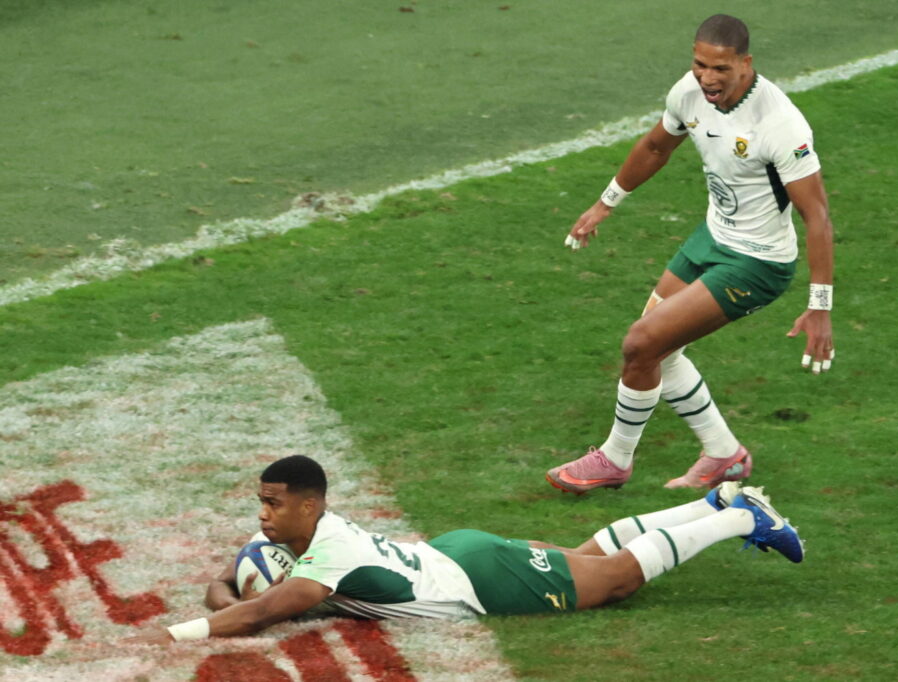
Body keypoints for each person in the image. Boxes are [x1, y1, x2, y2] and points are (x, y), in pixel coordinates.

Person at [548, 14, 836, 495]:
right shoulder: (689, 92)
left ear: (746, 64)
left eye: (720, 68)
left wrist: (820, 306)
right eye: (700, 65)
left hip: (757, 263)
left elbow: (818, 216)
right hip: (712, 238)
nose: (707, 78)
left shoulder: (780, 125)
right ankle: (725, 455)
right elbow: (656, 147)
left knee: (642, 344)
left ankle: (615, 460)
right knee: (657, 350)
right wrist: (605, 203)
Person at [126, 455, 803, 643]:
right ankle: (710, 504)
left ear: (309, 504)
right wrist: (225, 592)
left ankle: (738, 519)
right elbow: (237, 591)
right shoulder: (307, 537)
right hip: (457, 553)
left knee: (618, 580)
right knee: (590, 559)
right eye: (262, 502)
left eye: (273, 503)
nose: (261, 514)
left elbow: (253, 613)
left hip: (477, 579)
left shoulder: (319, 561)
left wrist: (174, 633)